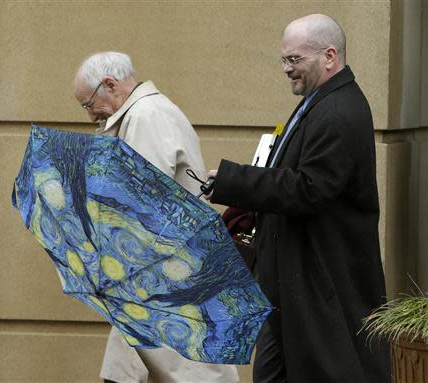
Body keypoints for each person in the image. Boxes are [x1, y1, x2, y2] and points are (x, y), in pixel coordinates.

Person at [205, 14, 390, 383]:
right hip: (291, 289)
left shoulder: (338, 111)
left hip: (318, 287)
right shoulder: (322, 101)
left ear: (329, 56)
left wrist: (235, 181)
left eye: (295, 60)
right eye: (284, 60)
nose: (287, 70)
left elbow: (308, 189)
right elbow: (293, 177)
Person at [74, 51, 239, 383]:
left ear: (110, 84)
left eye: (88, 104)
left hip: (163, 271)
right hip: (160, 270)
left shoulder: (146, 117)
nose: (91, 115)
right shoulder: (144, 114)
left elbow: (142, 202)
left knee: (186, 372)